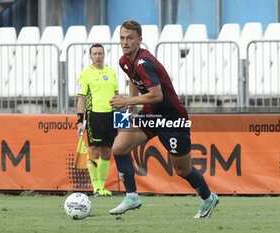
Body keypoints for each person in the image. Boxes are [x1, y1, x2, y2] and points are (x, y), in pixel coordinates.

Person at [108, 20, 219, 218]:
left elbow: (157, 95)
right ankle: (132, 196)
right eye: (122, 38)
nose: (125, 42)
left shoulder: (144, 63)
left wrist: (126, 99)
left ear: (139, 40)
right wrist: (131, 107)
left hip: (172, 118)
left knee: (182, 170)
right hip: (151, 113)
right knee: (119, 148)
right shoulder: (124, 61)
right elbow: (133, 81)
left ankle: (208, 198)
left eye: (130, 38)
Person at [77, 43, 118, 197]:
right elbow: (81, 99)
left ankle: (103, 186)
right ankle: (96, 187)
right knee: (94, 151)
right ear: (90, 56)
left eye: (100, 53)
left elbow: (116, 96)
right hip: (94, 115)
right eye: (95, 54)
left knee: (107, 151)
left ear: (104, 55)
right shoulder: (86, 74)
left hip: (111, 115)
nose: (98, 56)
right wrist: (80, 121)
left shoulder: (111, 73)